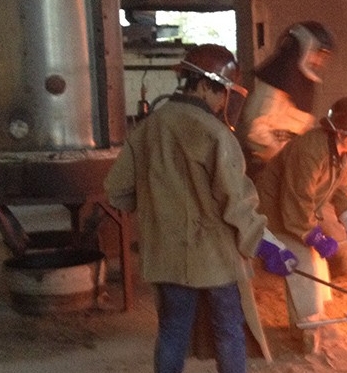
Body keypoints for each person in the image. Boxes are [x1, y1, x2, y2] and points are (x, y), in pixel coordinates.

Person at [103, 44, 298, 373]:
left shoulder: (147, 129)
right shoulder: (216, 134)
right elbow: (237, 203)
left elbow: (116, 190)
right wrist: (267, 245)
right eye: (221, 91)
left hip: (165, 254)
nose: (223, 100)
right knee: (228, 330)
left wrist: (155, 209)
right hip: (215, 259)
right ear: (206, 85)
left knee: (172, 331)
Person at [255, 96, 347, 353]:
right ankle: (307, 328)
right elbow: (296, 199)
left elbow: (341, 189)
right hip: (275, 214)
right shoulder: (309, 150)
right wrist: (313, 235)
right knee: (305, 263)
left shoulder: (344, 151)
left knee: (319, 266)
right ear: (340, 132)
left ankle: (307, 322)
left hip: (298, 211)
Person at [235, 21, 335, 175]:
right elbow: (254, 130)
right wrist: (284, 157)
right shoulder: (274, 83)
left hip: (287, 168)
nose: (319, 62)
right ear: (303, 47)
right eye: (318, 54)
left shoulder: (301, 84)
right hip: (266, 170)